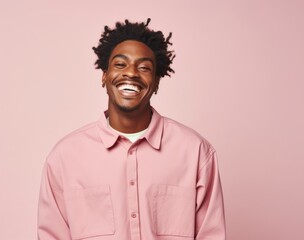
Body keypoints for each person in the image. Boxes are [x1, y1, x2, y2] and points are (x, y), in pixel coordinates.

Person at [37, 18, 226, 240]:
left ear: (156, 82)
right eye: (120, 64)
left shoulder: (196, 152)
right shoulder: (64, 158)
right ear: (104, 76)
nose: (131, 73)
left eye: (144, 67)